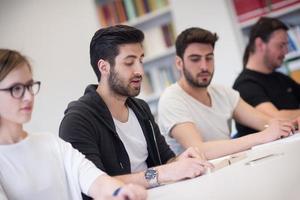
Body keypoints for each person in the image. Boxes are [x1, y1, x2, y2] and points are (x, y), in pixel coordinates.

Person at [59, 25, 212, 197]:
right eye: (129, 62)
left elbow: (166, 159)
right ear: (104, 67)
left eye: (141, 60)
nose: (139, 71)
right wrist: (163, 173)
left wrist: (181, 161)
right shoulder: (77, 120)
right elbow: (94, 185)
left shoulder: (140, 108)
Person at [0, 49, 146, 200]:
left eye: (29, 86)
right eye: (16, 89)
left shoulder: (50, 142)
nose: (28, 96)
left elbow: (94, 178)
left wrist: (121, 192)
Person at [158, 27, 294, 160]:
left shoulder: (222, 92)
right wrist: (262, 136)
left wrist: (290, 124)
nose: (204, 66)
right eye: (195, 59)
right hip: (196, 179)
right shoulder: (171, 99)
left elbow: (266, 122)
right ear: (179, 63)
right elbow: (199, 150)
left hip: (230, 167)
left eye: (209, 58)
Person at [233, 17, 300, 137]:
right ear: (260, 44)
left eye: (286, 45)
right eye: (281, 45)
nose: (286, 51)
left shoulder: (282, 78)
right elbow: (276, 119)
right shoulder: (245, 85)